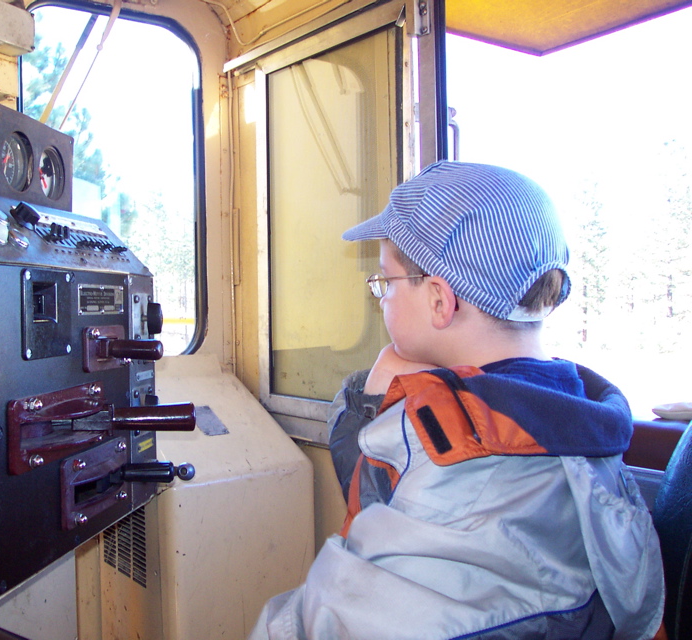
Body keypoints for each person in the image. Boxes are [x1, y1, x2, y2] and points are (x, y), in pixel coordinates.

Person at [248, 161, 664, 639]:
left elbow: (328, 622)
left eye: (385, 283)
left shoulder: (460, 475)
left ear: (440, 302)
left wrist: (374, 403)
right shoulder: (578, 417)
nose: (380, 298)